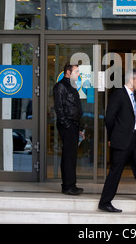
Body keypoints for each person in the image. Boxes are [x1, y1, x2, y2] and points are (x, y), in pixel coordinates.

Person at [98, 69, 136, 214]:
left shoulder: (134, 96)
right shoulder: (118, 95)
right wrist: (112, 137)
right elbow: (109, 119)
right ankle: (104, 202)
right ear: (131, 80)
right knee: (116, 171)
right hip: (121, 139)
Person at [53, 63, 85, 195]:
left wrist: (78, 127)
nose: (78, 74)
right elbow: (59, 108)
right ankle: (67, 186)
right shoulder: (60, 86)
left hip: (73, 125)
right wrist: (67, 124)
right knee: (68, 156)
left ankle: (71, 184)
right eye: (76, 71)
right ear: (67, 72)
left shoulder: (72, 86)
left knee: (71, 156)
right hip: (68, 125)